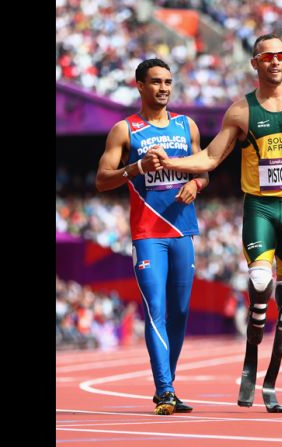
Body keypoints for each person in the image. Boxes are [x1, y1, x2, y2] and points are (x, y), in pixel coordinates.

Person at [144, 34, 282, 413]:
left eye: (281, 55)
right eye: (268, 56)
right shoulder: (241, 112)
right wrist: (172, 163)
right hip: (260, 208)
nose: (276, 61)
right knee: (261, 284)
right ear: (255, 64)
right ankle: (250, 354)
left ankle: (270, 380)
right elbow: (210, 158)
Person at [95, 58, 209, 415]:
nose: (164, 88)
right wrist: (136, 168)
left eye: (168, 82)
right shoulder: (124, 130)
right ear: (140, 86)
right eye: (156, 82)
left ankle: (169, 385)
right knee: (155, 309)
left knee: (180, 312)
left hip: (183, 232)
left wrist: (195, 183)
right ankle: (164, 390)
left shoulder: (186, 125)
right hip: (148, 235)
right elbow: (102, 180)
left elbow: (204, 169)